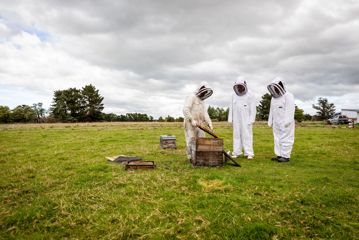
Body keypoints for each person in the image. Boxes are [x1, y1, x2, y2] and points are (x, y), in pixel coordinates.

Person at [267, 77, 295, 163]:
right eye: (274, 87)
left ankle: (286, 156)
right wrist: (270, 121)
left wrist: (287, 122)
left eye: (276, 87)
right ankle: (279, 155)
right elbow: (271, 110)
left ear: (281, 86)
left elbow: (290, 109)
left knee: (286, 138)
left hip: (286, 122)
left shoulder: (288, 96)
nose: (275, 89)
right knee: (277, 138)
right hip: (276, 122)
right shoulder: (273, 98)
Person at [183, 82, 213, 160]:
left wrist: (209, 123)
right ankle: (191, 157)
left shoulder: (202, 100)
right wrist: (191, 119)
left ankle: (199, 157)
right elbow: (185, 109)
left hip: (200, 123)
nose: (204, 94)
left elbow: (205, 113)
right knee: (191, 140)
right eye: (204, 92)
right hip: (190, 123)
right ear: (200, 89)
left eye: (205, 92)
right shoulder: (192, 96)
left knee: (201, 140)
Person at [228, 77, 256, 159]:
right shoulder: (233, 95)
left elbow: (253, 108)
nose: (239, 88)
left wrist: (251, 119)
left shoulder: (250, 94)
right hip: (236, 119)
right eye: (238, 86)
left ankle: (249, 153)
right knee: (236, 135)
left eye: (241, 86)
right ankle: (236, 152)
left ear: (244, 86)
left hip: (246, 119)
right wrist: (230, 119)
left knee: (247, 135)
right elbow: (231, 107)